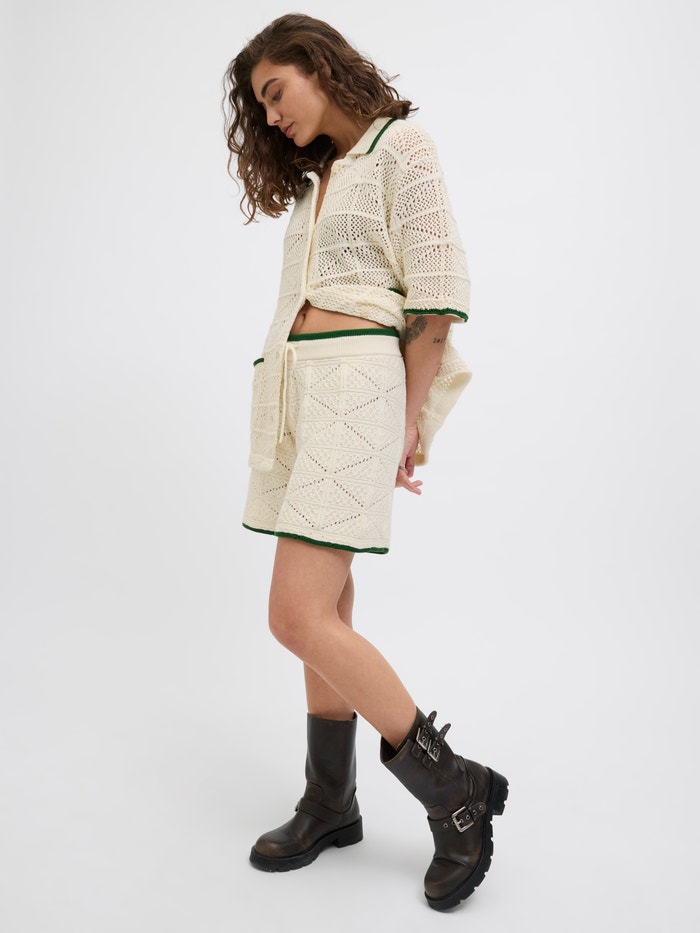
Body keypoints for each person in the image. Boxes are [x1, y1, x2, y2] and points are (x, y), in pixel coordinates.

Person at [222, 13, 508, 912]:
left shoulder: (400, 148)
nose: (272, 117)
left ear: (318, 65)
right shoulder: (320, 180)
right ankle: (331, 799)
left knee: (294, 613)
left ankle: (454, 789)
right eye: (262, 106)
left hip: (358, 387)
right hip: (298, 393)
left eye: (276, 92)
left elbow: (435, 302)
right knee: (329, 608)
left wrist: (408, 423)